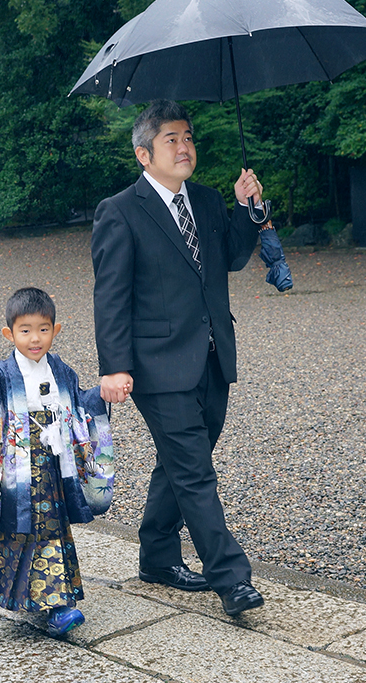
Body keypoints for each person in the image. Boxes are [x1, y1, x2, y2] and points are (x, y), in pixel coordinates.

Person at [91, 100, 265, 616]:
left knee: (181, 460)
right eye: (171, 139)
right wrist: (114, 366)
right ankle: (231, 578)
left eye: (188, 136)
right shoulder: (119, 210)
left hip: (213, 357)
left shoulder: (208, 201)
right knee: (193, 470)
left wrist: (247, 209)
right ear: (145, 154)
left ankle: (157, 555)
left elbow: (232, 257)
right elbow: (111, 295)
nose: (184, 145)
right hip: (156, 366)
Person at [0, 288, 111, 637]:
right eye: (25, 330)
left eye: (43, 329)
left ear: (55, 331)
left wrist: (101, 396)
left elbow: (81, 404)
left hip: (54, 470)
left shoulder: (61, 370)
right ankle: (33, 600)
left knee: (51, 532)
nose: (35, 338)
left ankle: (58, 606)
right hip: (17, 476)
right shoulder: (1, 376)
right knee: (20, 531)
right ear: (8, 334)